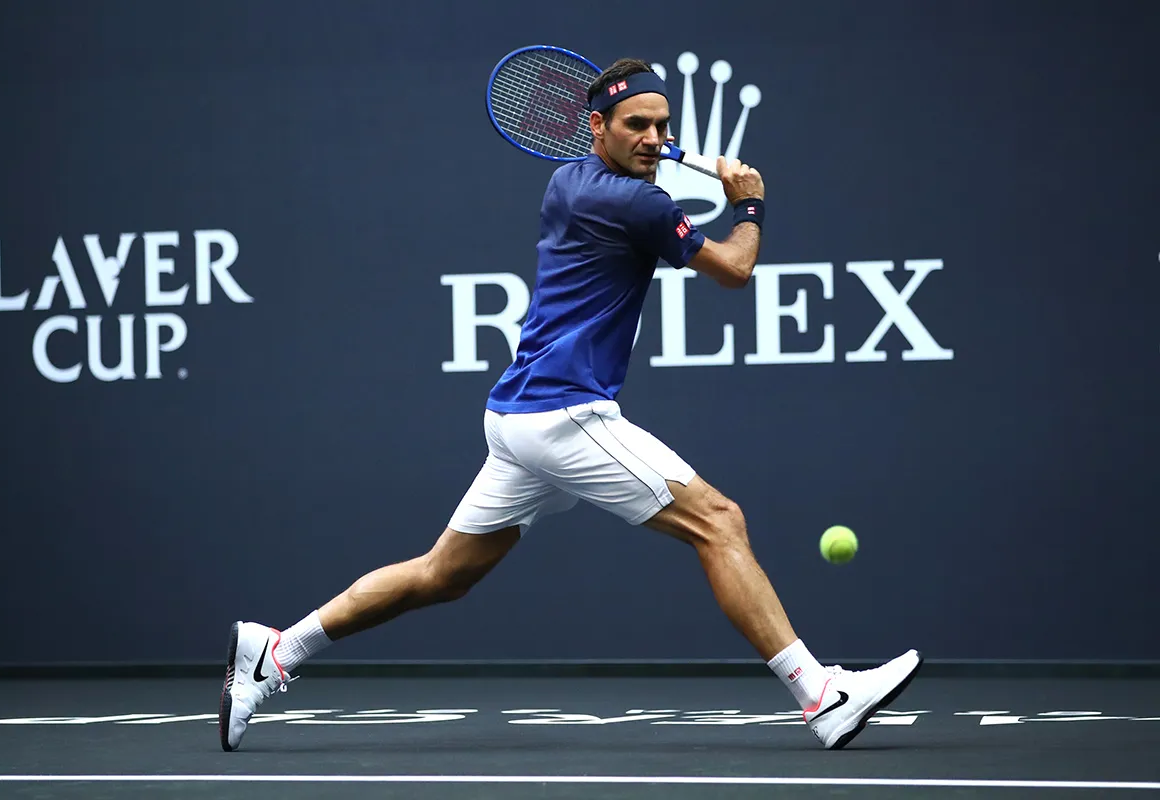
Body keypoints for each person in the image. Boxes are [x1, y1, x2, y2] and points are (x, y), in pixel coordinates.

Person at [218, 57, 921, 753]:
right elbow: (736, 270)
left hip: (515, 418)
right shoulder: (639, 203)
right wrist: (750, 203)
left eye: (663, 126)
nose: (652, 137)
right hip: (563, 414)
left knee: (442, 575)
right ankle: (821, 696)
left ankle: (274, 652)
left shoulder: (567, 181)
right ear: (597, 128)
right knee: (719, 521)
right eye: (636, 124)